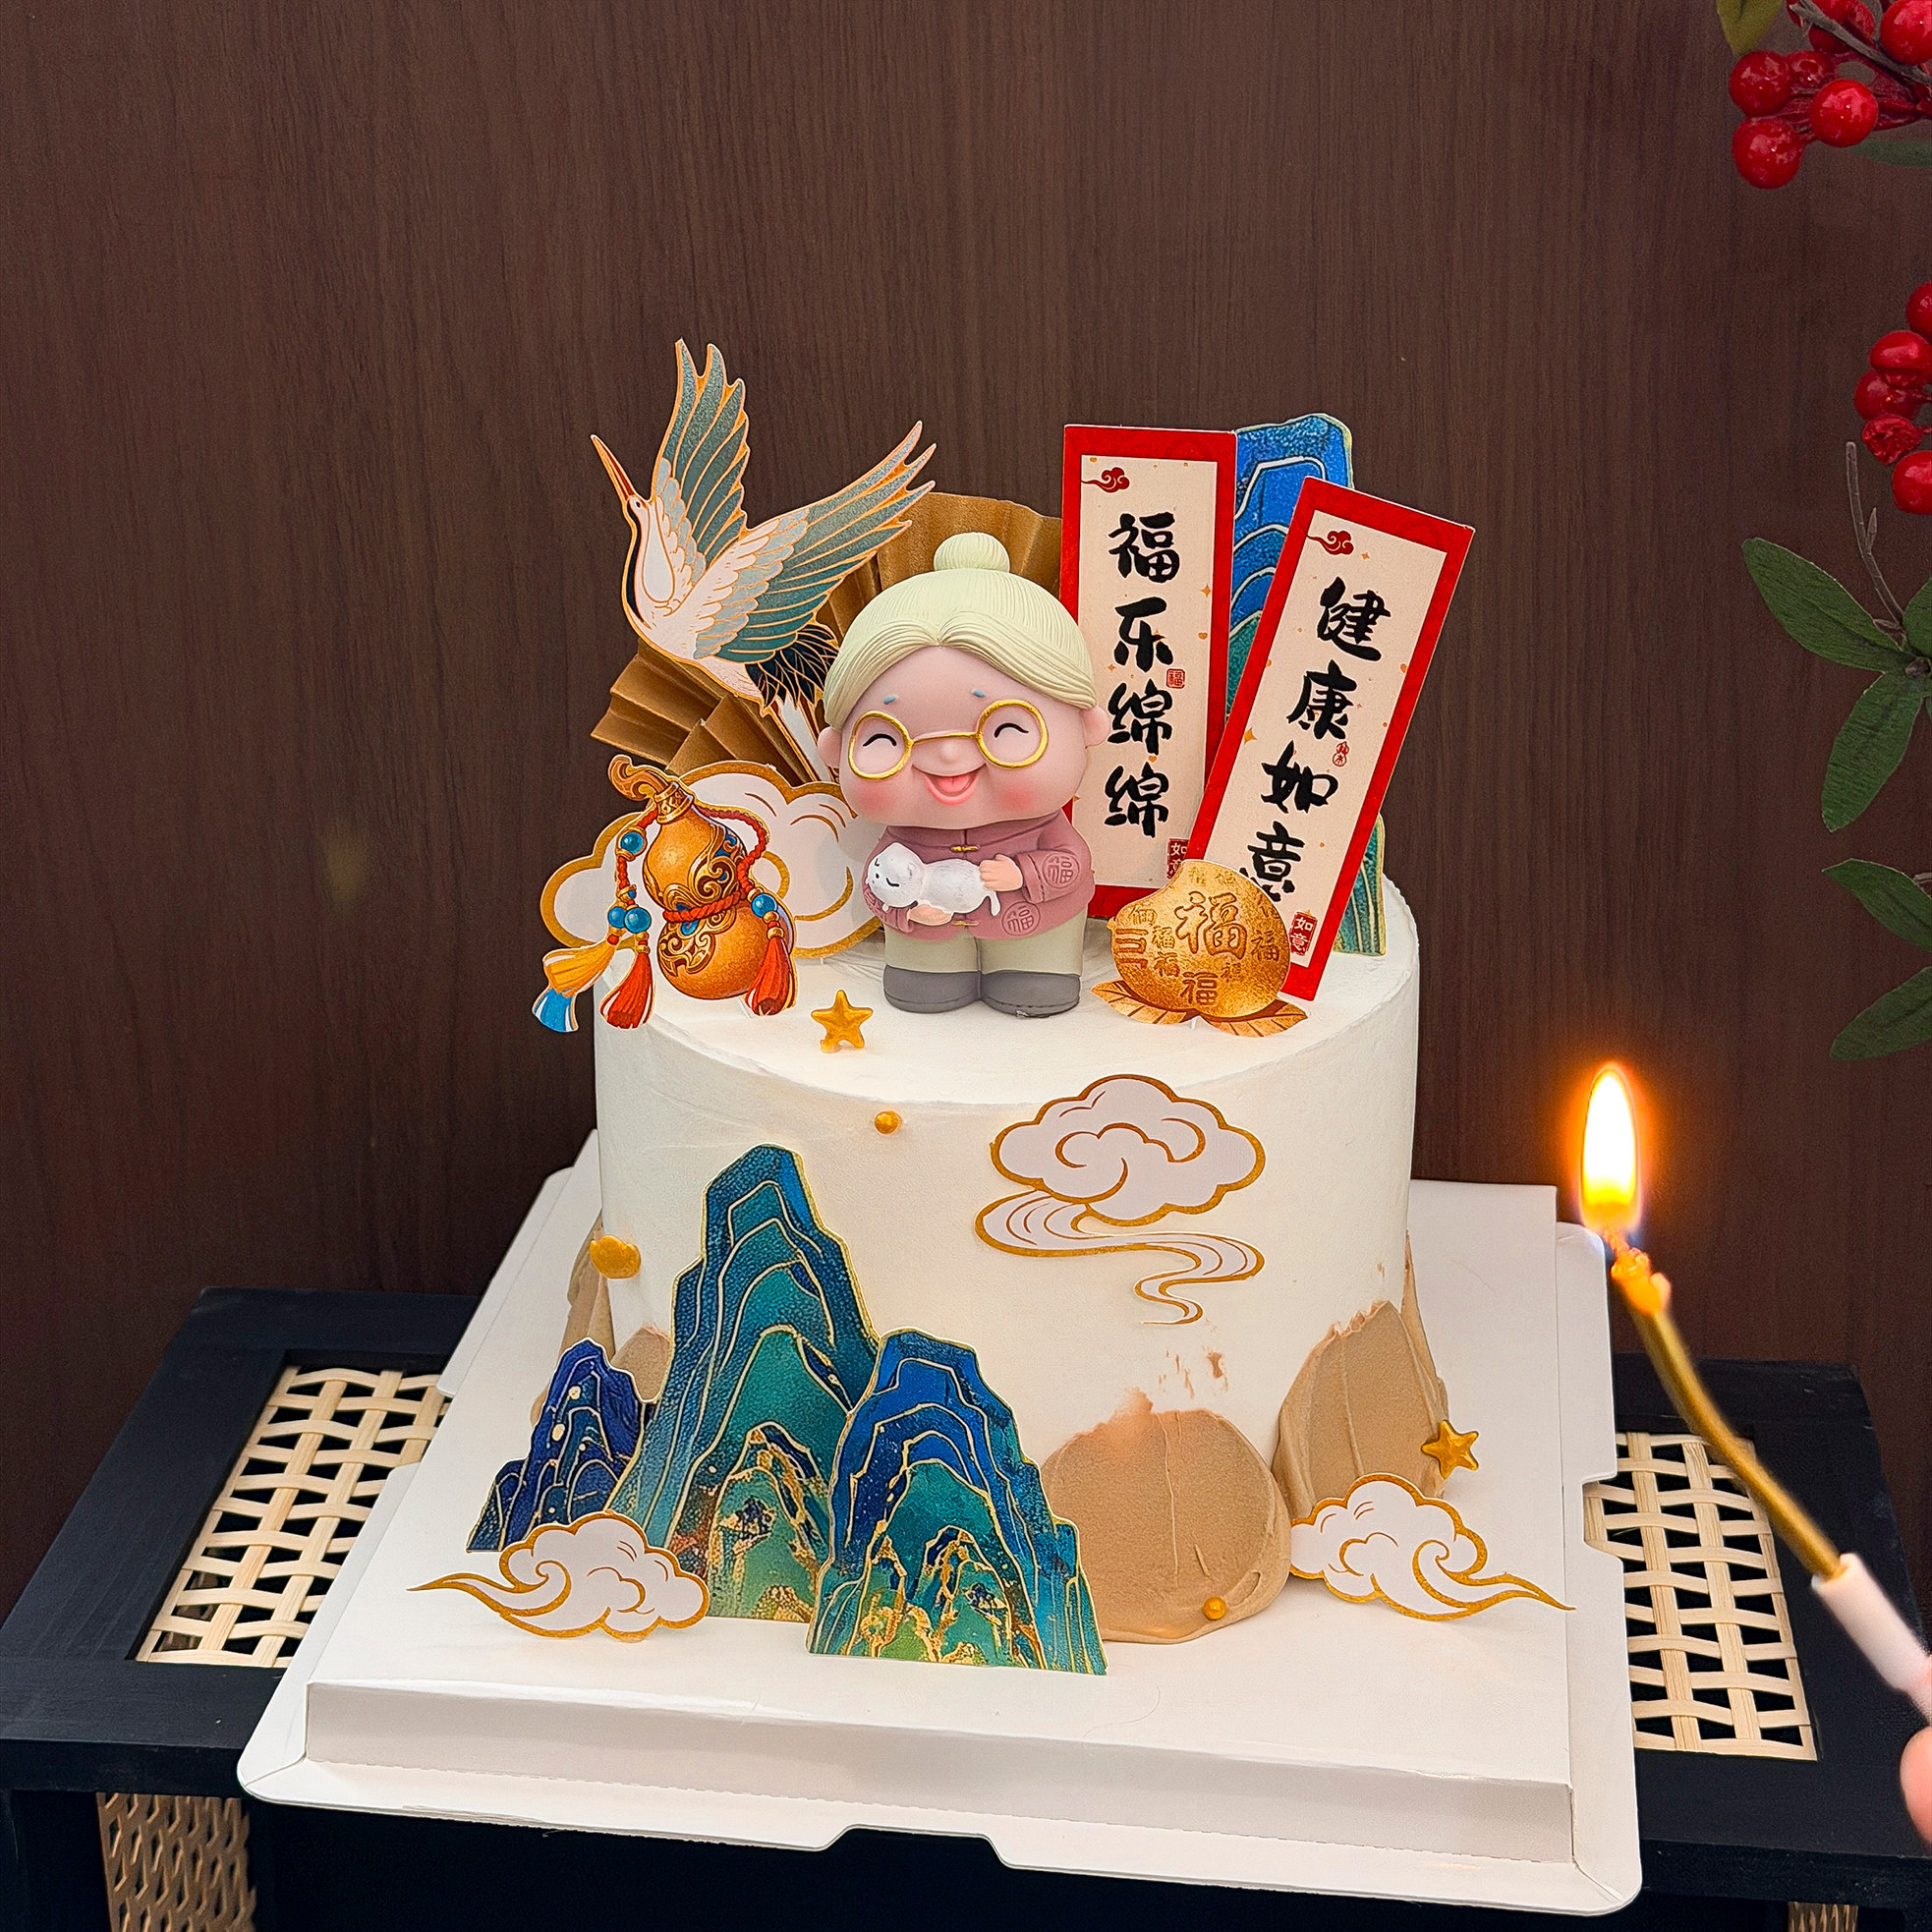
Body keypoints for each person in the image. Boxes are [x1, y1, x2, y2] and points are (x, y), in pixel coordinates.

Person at [819, 531, 1105, 1017]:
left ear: (1086, 728)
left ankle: (1033, 969)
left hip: (1032, 924)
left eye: (1006, 729)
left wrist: (1022, 872)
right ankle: (931, 970)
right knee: (922, 984)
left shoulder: (1042, 824)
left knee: (1035, 982)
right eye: (887, 739)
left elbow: (1071, 863)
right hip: (927, 936)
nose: (950, 757)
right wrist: (904, 909)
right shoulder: (901, 834)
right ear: (837, 749)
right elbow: (877, 878)